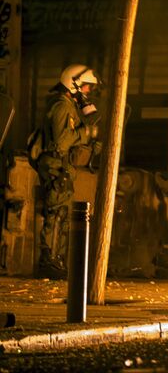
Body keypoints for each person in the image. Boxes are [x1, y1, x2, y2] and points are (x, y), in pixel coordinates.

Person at [35, 64, 100, 278]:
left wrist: (90, 141)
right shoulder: (62, 106)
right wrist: (86, 132)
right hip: (56, 165)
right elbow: (62, 142)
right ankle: (49, 260)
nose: (88, 93)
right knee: (56, 212)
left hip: (63, 167)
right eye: (87, 88)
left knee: (60, 212)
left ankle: (56, 259)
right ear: (74, 84)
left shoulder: (69, 106)